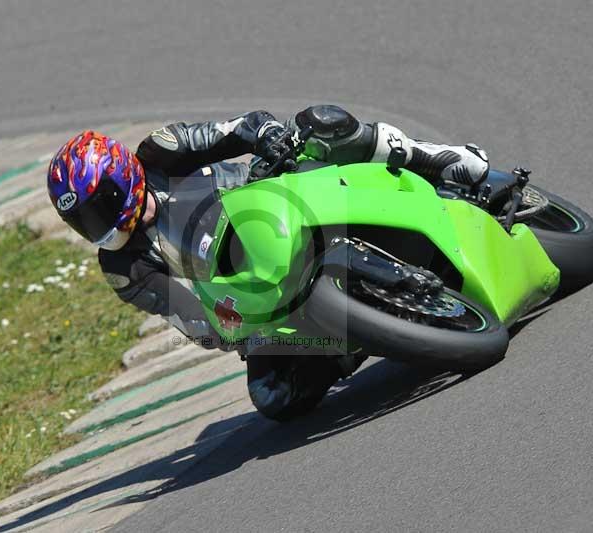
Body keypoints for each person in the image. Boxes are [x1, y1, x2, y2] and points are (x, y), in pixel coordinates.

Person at [46, 105, 489, 420]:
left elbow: (241, 127)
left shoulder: (163, 151)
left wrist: (269, 138)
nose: (97, 225)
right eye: (82, 220)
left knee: (321, 123)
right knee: (271, 396)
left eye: (98, 207)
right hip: (254, 293)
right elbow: (186, 317)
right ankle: (353, 341)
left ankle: (439, 159)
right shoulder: (123, 267)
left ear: (121, 176)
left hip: (279, 200)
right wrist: (227, 327)